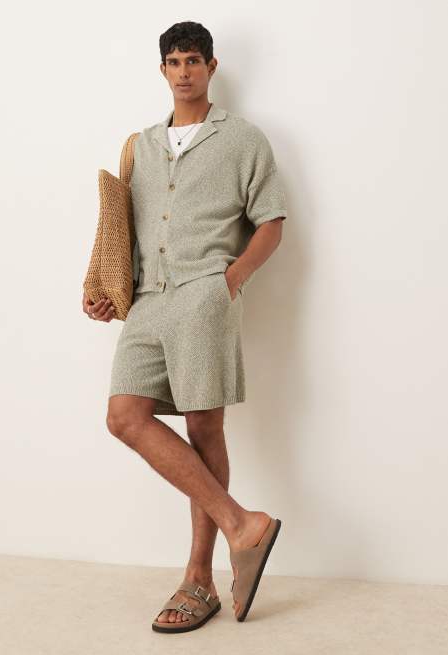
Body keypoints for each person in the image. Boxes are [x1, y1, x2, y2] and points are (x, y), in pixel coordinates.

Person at [82, 21, 287, 632]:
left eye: (193, 60)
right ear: (162, 70)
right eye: (173, 62)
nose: (183, 71)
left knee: (203, 426)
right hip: (148, 300)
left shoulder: (243, 139)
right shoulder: (141, 146)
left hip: (204, 296)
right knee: (125, 416)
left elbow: (271, 221)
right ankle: (242, 524)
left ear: (211, 67)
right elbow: (125, 231)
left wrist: (232, 280)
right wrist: (108, 291)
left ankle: (199, 579)